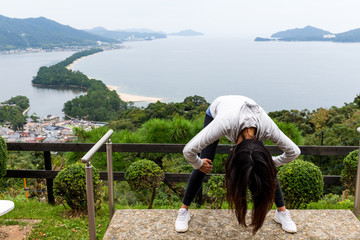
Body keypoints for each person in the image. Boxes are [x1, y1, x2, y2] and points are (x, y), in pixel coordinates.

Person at [175, 95, 301, 234]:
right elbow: (188, 151)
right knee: (206, 162)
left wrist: (270, 163)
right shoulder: (223, 123)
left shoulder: (266, 127)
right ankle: (184, 210)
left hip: (251, 116)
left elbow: (294, 151)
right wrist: (198, 164)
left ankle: (282, 212)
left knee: (264, 169)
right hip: (219, 109)